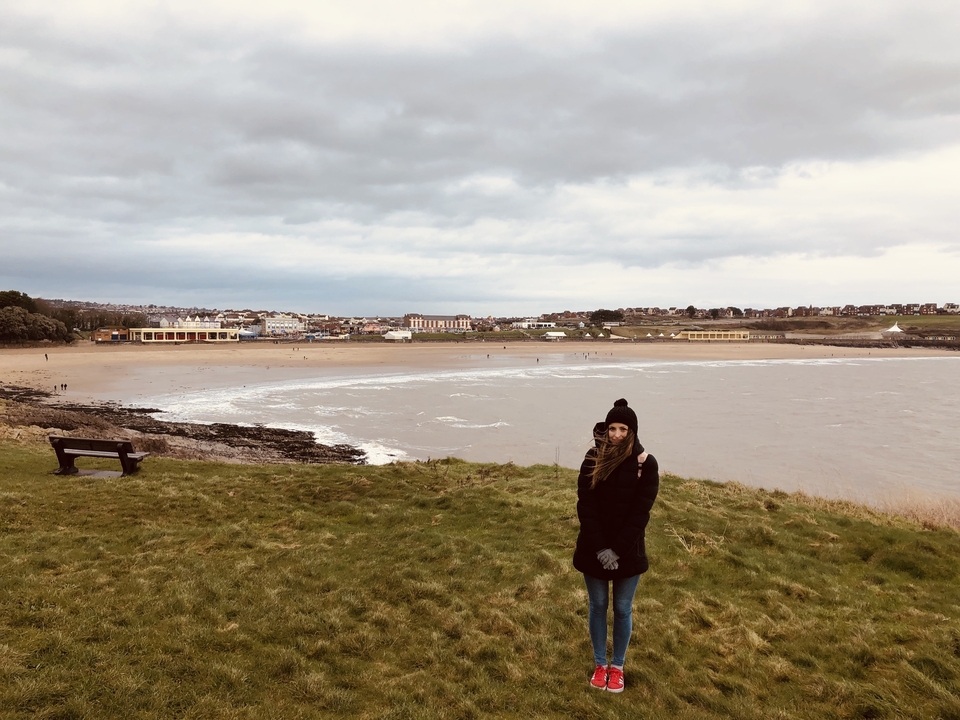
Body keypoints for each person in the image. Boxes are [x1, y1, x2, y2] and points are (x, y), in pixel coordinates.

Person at [573, 398, 659, 693]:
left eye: (623, 429)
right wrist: (600, 549)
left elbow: (641, 513)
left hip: (628, 551)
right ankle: (600, 664)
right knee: (598, 606)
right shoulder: (592, 458)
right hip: (593, 548)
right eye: (612, 428)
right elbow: (586, 505)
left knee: (622, 609)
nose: (617, 434)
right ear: (606, 429)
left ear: (632, 431)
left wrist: (617, 550)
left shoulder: (646, 464)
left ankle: (617, 667)